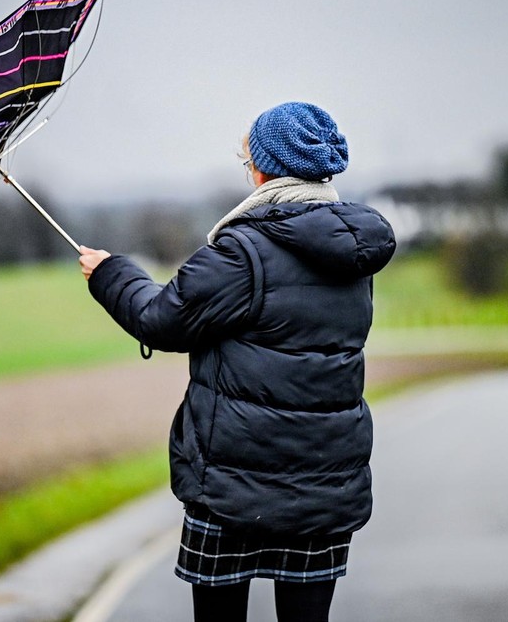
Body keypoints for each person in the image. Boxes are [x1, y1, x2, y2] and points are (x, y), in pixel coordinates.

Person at [79, 102, 395, 622]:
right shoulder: (354, 253)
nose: (248, 171)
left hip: (232, 489)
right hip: (324, 487)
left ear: (266, 168)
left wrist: (111, 273)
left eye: (247, 160)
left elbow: (160, 320)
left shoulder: (243, 252)